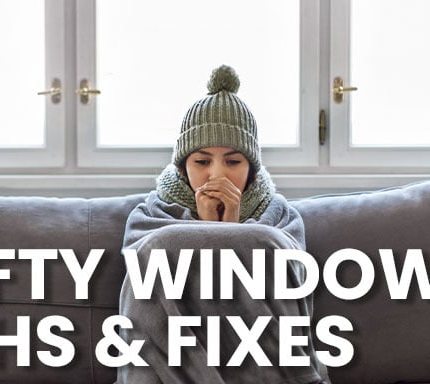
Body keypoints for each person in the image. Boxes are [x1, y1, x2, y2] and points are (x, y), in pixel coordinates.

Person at [117, 65, 329, 384]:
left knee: (266, 243)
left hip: (257, 364)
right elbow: (143, 280)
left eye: (233, 161)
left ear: (252, 169)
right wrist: (206, 227)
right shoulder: (151, 214)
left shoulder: (280, 216)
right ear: (183, 166)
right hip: (177, 365)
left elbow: (293, 282)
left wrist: (228, 226)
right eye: (201, 161)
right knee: (158, 249)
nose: (217, 174)